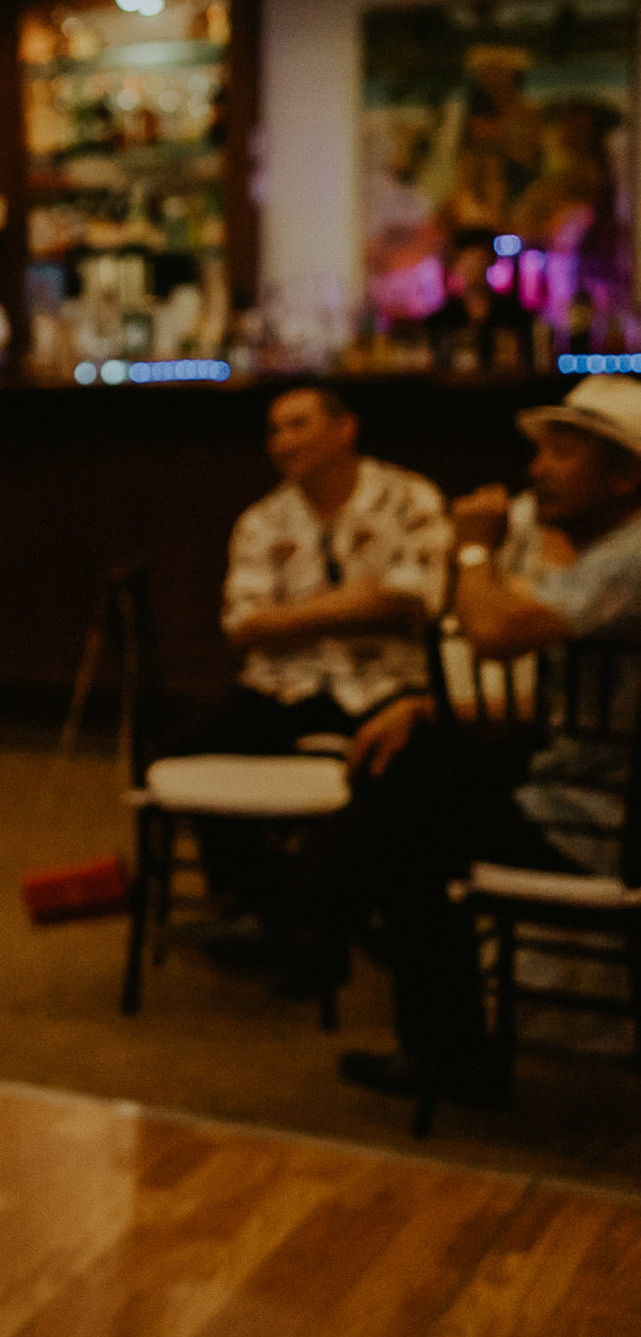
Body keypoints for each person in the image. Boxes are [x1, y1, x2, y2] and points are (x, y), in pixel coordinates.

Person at [330, 375, 641, 1106]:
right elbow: (565, 698)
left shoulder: (630, 557)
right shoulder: (610, 553)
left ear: (625, 476)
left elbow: (494, 631)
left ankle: (431, 1039)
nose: (536, 470)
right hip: (586, 787)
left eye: (561, 454)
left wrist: (473, 551)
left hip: (603, 821)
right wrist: (427, 708)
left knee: (410, 828)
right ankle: (325, 911)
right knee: (412, 768)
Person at [195, 384, 450, 933]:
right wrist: (357, 603)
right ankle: (265, 906)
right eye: (273, 430)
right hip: (286, 684)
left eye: (297, 425)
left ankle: (350, 910)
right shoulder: (263, 520)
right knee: (187, 758)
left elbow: (420, 599)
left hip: (388, 683)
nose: (282, 442)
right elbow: (242, 624)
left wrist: (293, 617)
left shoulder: (409, 498)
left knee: (404, 776)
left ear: (345, 428)